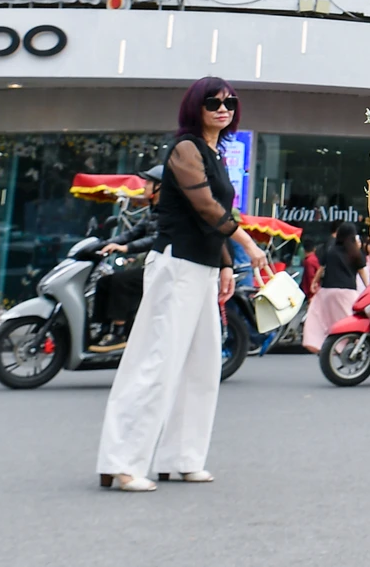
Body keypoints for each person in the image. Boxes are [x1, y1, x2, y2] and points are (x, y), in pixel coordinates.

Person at [95, 79, 269, 491]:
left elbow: (215, 213)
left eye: (230, 102)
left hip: (203, 268)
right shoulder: (186, 149)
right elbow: (206, 207)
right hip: (176, 267)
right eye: (213, 102)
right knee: (155, 363)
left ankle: (180, 458)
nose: (222, 108)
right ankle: (121, 464)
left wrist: (226, 265)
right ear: (196, 107)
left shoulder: (215, 153)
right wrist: (246, 243)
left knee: (202, 367)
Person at [95, 169, 161, 348]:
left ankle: (119, 333)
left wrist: (125, 248)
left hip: (163, 268)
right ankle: (103, 328)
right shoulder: (152, 211)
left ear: (159, 187)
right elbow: (133, 233)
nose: (144, 186)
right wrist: (103, 244)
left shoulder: (169, 212)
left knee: (120, 281)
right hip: (151, 265)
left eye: (148, 183)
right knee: (104, 282)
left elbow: (155, 239)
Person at [303, 222, 365, 354]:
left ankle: (319, 344)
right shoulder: (355, 252)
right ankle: (350, 346)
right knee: (349, 321)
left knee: (321, 317)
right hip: (347, 292)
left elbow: (321, 268)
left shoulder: (330, 250)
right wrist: (369, 288)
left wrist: (314, 282)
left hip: (327, 291)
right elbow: (362, 272)